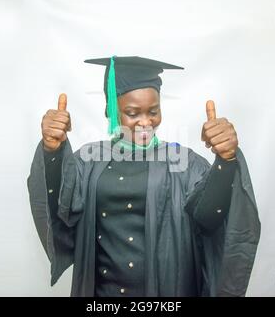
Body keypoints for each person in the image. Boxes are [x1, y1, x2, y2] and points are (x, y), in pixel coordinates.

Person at [27, 56, 260, 297]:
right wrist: (52, 152)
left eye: (154, 111)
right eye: (132, 112)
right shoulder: (89, 159)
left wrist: (226, 161)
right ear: (112, 111)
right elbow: (61, 209)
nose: (146, 121)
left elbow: (209, 218)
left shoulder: (183, 161)